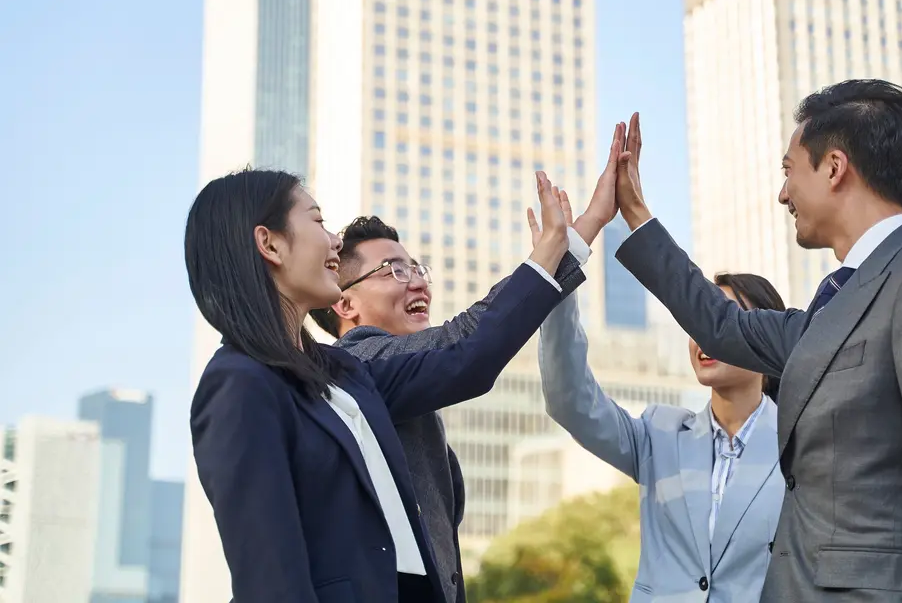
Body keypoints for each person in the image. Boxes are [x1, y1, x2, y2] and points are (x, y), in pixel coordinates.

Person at [611, 82, 902, 602]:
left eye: (788, 170)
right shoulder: (828, 312)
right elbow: (723, 326)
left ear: (834, 167)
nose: (783, 193)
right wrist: (637, 216)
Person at [186, 167, 573, 603]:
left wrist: (559, 245)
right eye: (317, 221)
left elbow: (469, 354)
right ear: (270, 243)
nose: (334, 241)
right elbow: (270, 581)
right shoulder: (240, 383)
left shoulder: (345, 373)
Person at [304, 126, 621, 602]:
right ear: (345, 306)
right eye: (394, 270)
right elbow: (465, 343)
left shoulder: (396, 379)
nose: (417, 283)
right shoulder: (355, 363)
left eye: (417, 268)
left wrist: (585, 228)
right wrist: (553, 249)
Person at [538, 262, 785, 602]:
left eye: (722, 318)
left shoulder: (799, 444)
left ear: (767, 338)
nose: (705, 333)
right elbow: (572, 401)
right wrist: (560, 272)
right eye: (698, 319)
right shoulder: (660, 434)